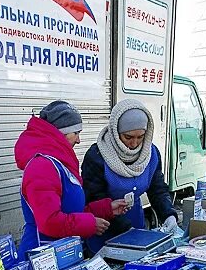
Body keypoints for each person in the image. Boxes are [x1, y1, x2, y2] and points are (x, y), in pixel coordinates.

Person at [15, 101, 127, 259]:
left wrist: (107, 208)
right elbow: (50, 222)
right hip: (41, 258)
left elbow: (71, 211)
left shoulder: (59, 163)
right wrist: (90, 224)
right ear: (61, 132)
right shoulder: (42, 167)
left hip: (62, 254)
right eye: (76, 133)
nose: (79, 140)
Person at [81, 99, 177, 253]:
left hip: (135, 223)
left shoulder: (151, 154)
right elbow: (94, 197)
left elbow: (157, 189)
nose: (134, 143)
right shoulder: (98, 156)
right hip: (105, 228)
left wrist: (168, 214)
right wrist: (125, 229)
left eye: (140, 137)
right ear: (116, 132)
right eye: (128, 137)